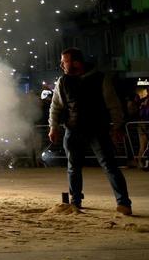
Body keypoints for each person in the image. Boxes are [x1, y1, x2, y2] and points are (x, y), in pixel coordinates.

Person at [48, 47, 132, 215]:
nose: (62, 65)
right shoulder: (63, 81)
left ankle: (123, 203)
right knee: (73, 167)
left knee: (109, 165)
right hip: (73, 128)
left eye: (64, 61)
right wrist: (53, 126)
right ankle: (75, 201)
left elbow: (112, 104)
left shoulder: (100, 78)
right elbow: (55, 106)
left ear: (76, 62)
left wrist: (118, 125)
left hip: (97, 128)